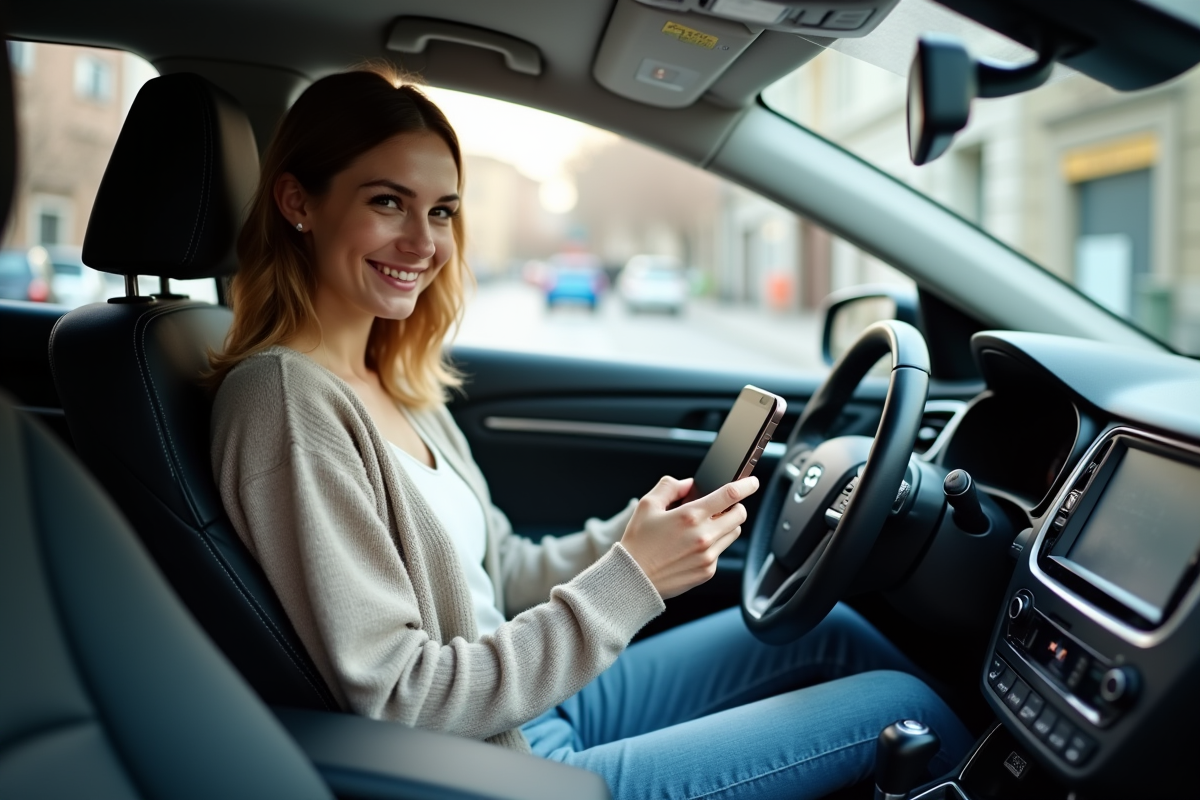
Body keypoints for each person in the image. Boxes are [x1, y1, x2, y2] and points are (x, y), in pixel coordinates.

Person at [209, 66, 971, 800]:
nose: (424, 242)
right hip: (502, 768)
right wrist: (634, 578)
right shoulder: (284, 402)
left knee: (830, 632)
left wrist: (635, 538)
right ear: (297, 202)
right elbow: (401, 698)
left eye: (441, 211)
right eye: (388, 202)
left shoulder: (391, 380)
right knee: (904, 711)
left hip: (532, 702)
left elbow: (502, 572)